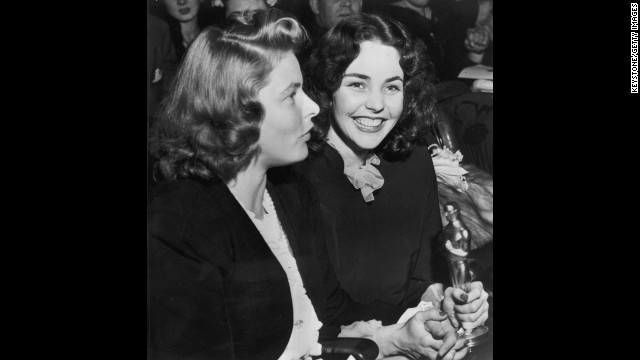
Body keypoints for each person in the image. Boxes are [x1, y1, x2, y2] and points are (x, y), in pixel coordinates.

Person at [148, 8, 468, 360]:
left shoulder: (288, 194)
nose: (314, 107)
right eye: (291, 95)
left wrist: (399, 337)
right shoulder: (178, 225)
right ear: (237, 110)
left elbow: (330, 321)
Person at [298, 12, 489, 332]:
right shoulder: (297, 177)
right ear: (328, 88)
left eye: (392, 86)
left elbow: (418, 282)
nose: (376, 104)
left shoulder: (412, 162)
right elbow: (313, 318)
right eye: (358, 84)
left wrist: (449, 300)